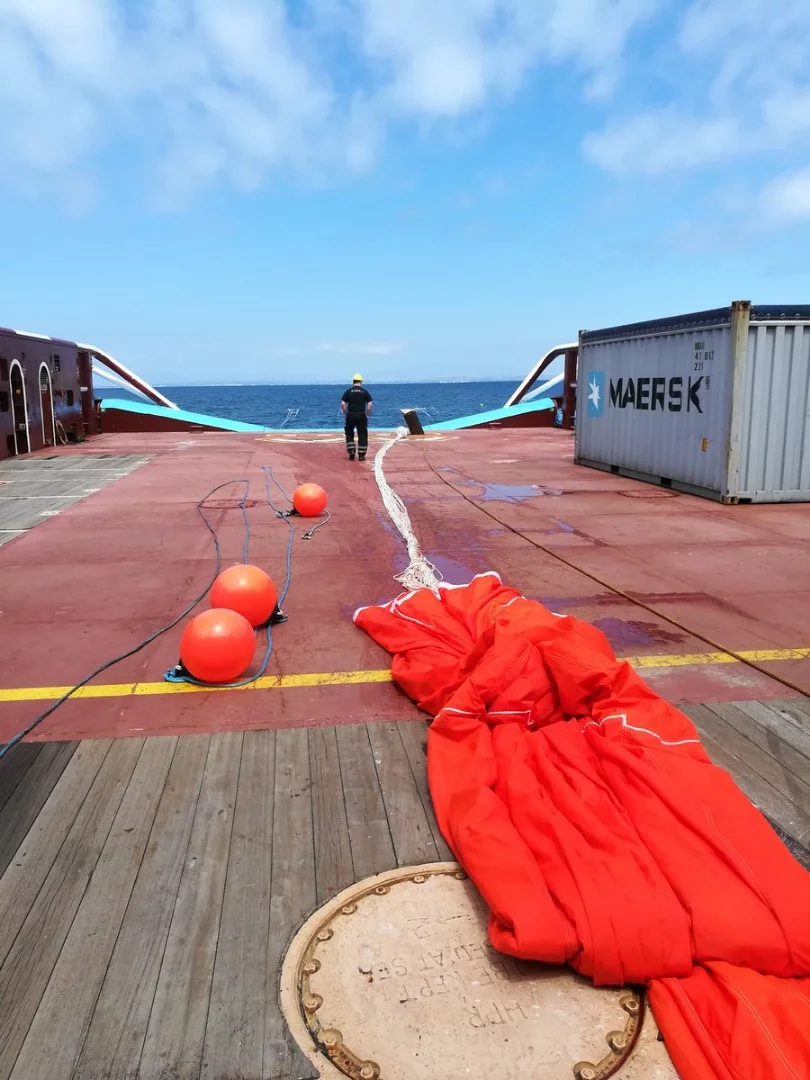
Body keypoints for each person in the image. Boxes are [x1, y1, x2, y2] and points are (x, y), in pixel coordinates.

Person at [340, 374, 373, 460]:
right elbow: (370, 405)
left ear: (353, 381)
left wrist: (346, 413)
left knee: (349, 433)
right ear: (361, 381)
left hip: (351, 414)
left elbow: (343, 404)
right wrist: (367, 414)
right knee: (362, 434)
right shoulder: (365, 392)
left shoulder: (348, 391)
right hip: (361, 415)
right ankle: (361, 455)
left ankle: (351, 451)